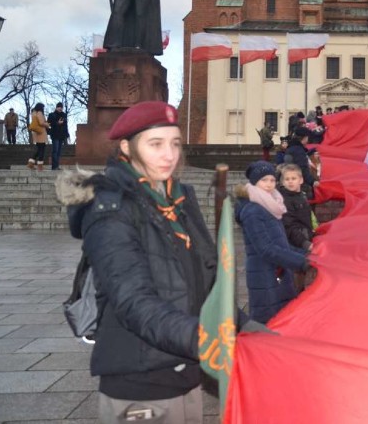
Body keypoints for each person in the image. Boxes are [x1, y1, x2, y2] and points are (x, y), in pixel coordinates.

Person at [56, 101, 230, 422]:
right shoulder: (110, 209)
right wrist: (205, 339)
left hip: (187, 375)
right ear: (126, 147)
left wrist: (251, 330)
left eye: (175, 144)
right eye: (156, 144)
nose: (169, 155)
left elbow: (208, 288)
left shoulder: (178, 200)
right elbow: (133, 301)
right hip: (141, 384)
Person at [235, 160, 311, 324]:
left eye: (272, 180)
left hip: (278, 272)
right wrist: (301, 262)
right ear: (255, 182)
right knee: (266, 322)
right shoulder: (252, 210)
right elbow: (266, 248)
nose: (269, 184)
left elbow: (281, 244)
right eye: (264, 180)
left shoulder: (271, 206)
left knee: (280, 322)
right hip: (264, 274)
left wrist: (307, 255)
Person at [279, 164, 315, 253]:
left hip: (306, 238)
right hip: (296, 244)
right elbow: (289, 226)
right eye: (287, 179)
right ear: (283, 182)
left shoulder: (302, 196)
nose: (290, 181)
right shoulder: (284, 200)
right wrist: (305, 243)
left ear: (301, 180)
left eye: (293, 178)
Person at [47, 102, 70, 170]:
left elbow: (65, 125)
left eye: (61, 107)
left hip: (61, 135)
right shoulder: (51, 115)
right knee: (55, 150)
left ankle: (57, 165)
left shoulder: (64, 115)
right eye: (59, 107)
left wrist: (67, 134)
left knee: (59, 152)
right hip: (55, 134)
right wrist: (57, 123)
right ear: (56, 107)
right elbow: (49, 124)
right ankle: (54, 166)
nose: (60, 108)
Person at [27, 103, 49, 171]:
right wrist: (47, 124)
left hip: (37, 133)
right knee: (42, 150)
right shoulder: (39, 113)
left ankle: (31, 163)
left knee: (39, 149)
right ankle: (40, 166)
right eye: (43, 107)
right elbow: (41, 123)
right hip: (41, 133)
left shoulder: (34, 113)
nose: (43, 109)